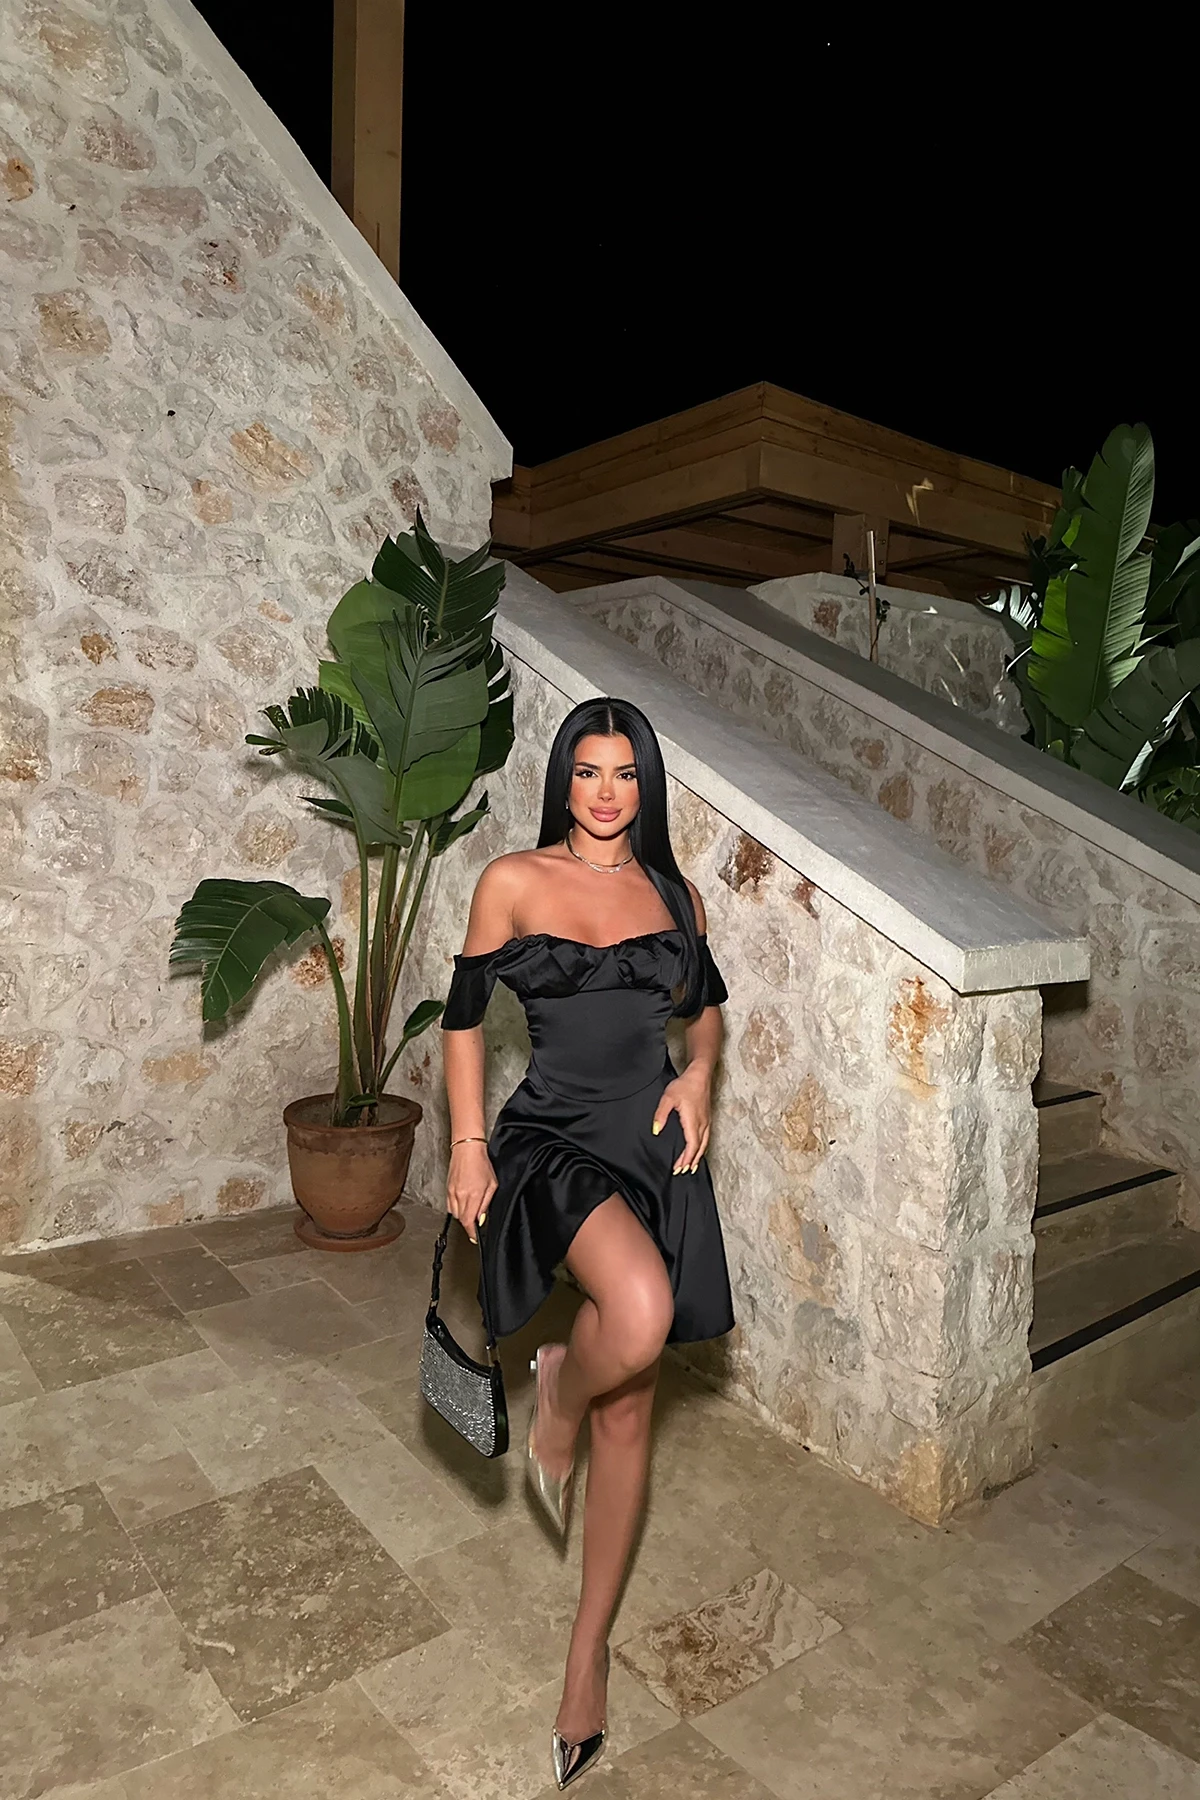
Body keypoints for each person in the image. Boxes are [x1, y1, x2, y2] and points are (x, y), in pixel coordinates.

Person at [439, 694, 735, 1790]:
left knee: (632, 1413)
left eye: (626, 774)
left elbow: (704, 1009)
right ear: (563, 777)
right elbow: (463, 1022)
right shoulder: (513, 881)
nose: (607, 793)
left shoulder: (673, 893)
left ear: (643, 786)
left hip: (651, 1145)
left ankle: (587, 1654)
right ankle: (557, 1383)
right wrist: (468, 1145)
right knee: (640, 1316)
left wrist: (699, 1074)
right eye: (587, 771)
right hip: (552, 1140)